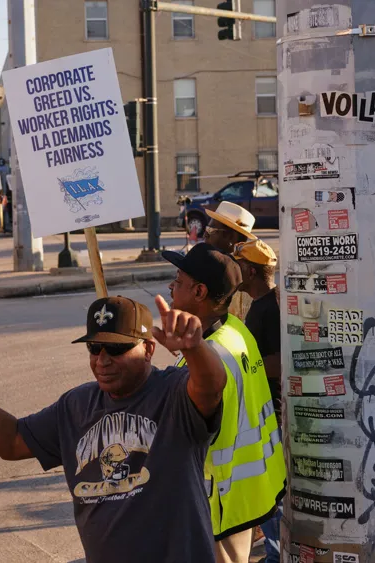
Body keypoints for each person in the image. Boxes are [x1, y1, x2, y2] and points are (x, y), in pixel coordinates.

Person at [0, 296, 226, 563]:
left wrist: (195, 347)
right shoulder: (77, 405)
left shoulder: (174, 393)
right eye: (94, 347)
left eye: (117, 348)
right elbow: (10, 442)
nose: (102, 360)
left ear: (148, 349)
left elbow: (211, 386)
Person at [162, 243, 285, 563]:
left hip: (216, 502)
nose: (171, 288)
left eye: (178, 280)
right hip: (243, 494)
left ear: (200, 291)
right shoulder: (235, 330)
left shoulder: (210, 354)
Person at [231, 239, 282, 563]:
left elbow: (279, 361)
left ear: (249, 270)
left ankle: (277, 555)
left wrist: (245, 366)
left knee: (269, 489)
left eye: (238, 264)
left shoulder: (271, 308)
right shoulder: (263, 303)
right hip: (265, 406)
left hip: (272, 409)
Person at [204, 201, 257, 320]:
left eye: (211, 230)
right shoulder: (213, 263)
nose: (205, 235)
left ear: (231, 237)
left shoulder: (244, 274)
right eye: (206, 228)